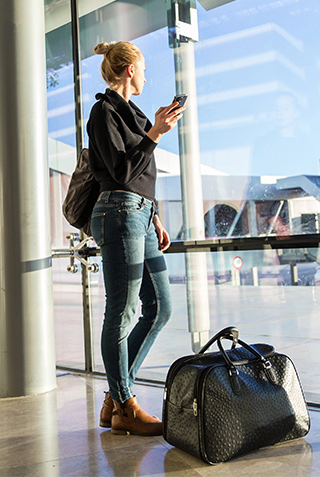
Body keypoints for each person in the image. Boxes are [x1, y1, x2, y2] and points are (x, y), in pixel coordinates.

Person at [87, 41, 185, 436]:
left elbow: (141, 175)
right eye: (143, 69)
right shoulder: (104, 112)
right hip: (118, 212)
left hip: (140, 215)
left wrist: (154, 215)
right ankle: (124, 406)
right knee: (123, 310)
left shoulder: (135, 115)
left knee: (160, 307)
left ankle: (115, 397)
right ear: (130, 70)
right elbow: (123, 171)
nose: (145, 77)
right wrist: (155, 134)